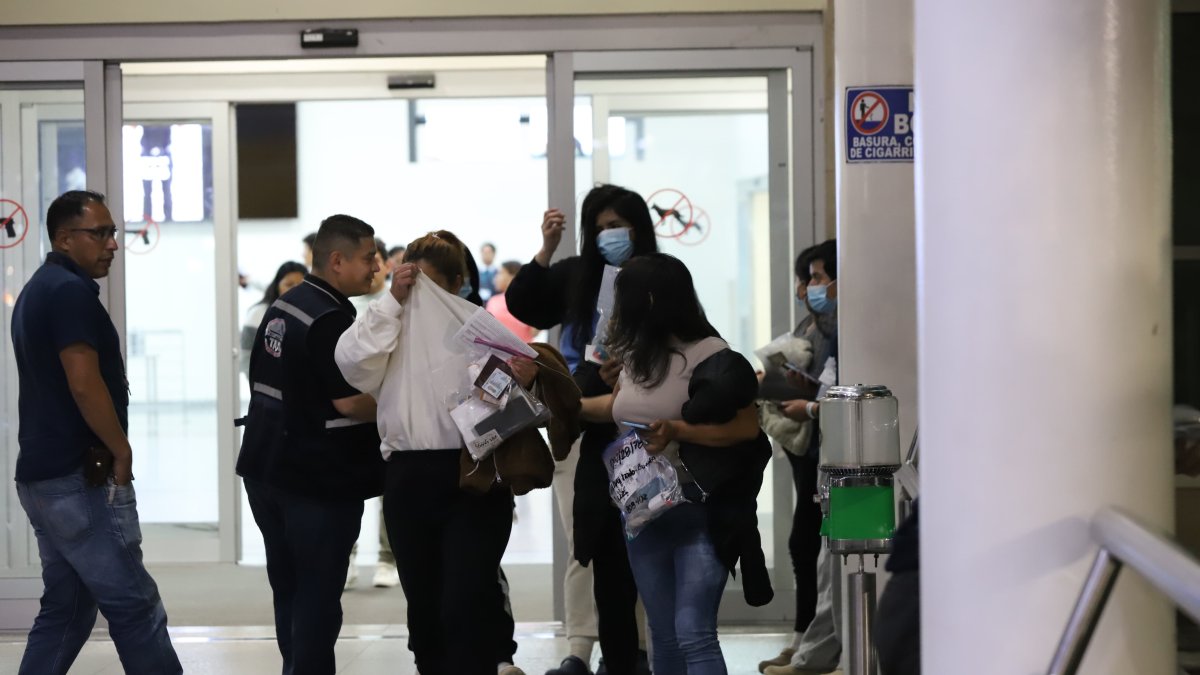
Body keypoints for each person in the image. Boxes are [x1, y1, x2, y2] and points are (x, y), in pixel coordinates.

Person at [335, 230, 532, 675]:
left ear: (458, 283)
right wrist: (393, 300)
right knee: (423, 600)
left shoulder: (479, 328)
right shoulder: (388, 325)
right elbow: (351, 361)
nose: (422, 297)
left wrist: (520, 380)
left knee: (465, 595)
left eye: (431, 286)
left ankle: (483, 661)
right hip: (409, 474)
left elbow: (515, 406)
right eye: (414, 283)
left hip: (474, 472)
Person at [10, 189, 183, 674]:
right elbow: (84, 384)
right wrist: (121, 450)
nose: (113, 243)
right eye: (100, 233)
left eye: (113, 232)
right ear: (65, 238)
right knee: (136, 607)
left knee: (67, 608)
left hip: (43, 477)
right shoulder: (68, 293)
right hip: (76, 478)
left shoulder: (40, 288)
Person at [506, 184, 658, 675]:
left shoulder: (660, 275)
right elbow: (524, 304)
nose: (609, 235)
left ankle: (636, 646)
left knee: (643, 535)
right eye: (600, 227)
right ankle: (580, 647)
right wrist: (546, 249)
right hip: (581, 418)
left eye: (618, 225)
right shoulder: (578, 275)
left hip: (645, 425)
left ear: (638, 227)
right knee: (584, 542)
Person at [604, 253, 769, 673]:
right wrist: (552, 397)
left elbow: (746, 429)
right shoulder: (636, 356)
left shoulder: (711, 355)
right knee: (662, 633)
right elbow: (617, 410)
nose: (616, 310)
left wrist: (678, 431)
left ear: (649, 300)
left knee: (694, 631)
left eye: (623, 298)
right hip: (643, 508)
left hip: (701, 507)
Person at [236, 214, 386, 675]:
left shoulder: (285, 305)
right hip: (314, 480)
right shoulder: (331, 319)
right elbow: (349, 403)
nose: (376, 267)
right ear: (337, 260)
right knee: (318, 597)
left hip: (266, 467)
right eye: (368, 258)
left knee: (289, 590)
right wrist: (401, 400)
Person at [764, 239, 842, 675]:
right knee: (806, 543)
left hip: (832, 445)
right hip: (810, 446)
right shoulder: (813, 326)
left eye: (816, 278)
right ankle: (803, 643)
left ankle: (812, 650)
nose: (808, 288)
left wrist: (810, 406)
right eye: (806, 279)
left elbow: (839, 388)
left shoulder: (842, 327)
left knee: (816, 544)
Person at [344, 236, 399, 590]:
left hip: (388, 406)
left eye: (376, 260)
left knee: (389, 488)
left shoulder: (396, 302)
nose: (373, 268)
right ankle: (347, 556)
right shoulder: (345, 305)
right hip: (352, 408)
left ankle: (387, 558)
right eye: (367, 260)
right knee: (349, 487)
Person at [240, 261, 307, 377]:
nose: (296, 290)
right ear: (277, 287)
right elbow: (246, 357)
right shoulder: (258, 314)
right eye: (289, 284)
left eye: (301, 286)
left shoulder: (314, 315)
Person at [487, 261, 538, 343]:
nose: (495, 278)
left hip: (521, 350)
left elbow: (534, 332)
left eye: (500, 273)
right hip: (495, 349)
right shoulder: (493, 301)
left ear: (513, 276)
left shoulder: (529, 301)